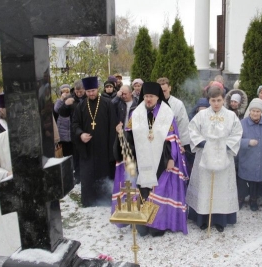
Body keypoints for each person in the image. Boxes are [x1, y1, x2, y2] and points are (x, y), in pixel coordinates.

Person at [113, 82, 189, 237]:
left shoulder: (166, 113)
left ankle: (157, 224)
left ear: (157, 97)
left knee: (158, 191)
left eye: (152, 97)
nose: (148, 99)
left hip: (161, 160)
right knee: (142, 191)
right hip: (141, 161)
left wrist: (171, 158)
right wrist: (120, 135)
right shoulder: (136, 113)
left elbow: (172, 139)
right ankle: (143, 222)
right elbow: (129, 136)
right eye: (146, 96)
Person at [186, 87, 242, 232]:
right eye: (213, 100)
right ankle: (202, 219)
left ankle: (220, 220)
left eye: (219, 100)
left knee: (220, 189)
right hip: (204, 156)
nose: (216, 104)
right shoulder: (201, 115)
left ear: (224, 100)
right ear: (208, 100)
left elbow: (237, 133)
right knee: (204, 187)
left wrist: (226, 146)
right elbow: (192, 130)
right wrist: (202, 143)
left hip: (224, 158)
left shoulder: (231, 116)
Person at [72, 76, 117, 207]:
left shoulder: (107, 104)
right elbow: (74, 124)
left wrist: (111, 150)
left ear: (97, 89)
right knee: (88, 174)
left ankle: (105, 199)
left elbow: (112, 126)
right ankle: (89, 200)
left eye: (93, 90)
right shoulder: (80, 106)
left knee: (104, 172)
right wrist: (80, 135)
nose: (91, 93)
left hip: (104, 147)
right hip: (87, 148)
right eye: (88, 91)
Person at [237, 98, 262, 211]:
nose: (255, 113)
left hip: (261, 158)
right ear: (249, 111)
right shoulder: (242, 123)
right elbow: (235, 140)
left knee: (255, 181)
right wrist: (247, 142)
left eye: (258, 111)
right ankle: (240, 198)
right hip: (246, 158)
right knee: (243, 180)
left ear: (261, 112)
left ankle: (253, 199)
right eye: (253, 111)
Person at [157, 77, 191, 170]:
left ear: (170, 88)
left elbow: (183, 124)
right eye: (160, 91)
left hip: (174, 144)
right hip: (157, 143)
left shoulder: (178, 104)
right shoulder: (154, 103)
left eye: (164, 91)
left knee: (173, 170)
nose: (163, 93)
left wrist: (182, 144)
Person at [58, 80, 86, 184]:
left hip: (87, 129)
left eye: (81, 92)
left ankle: (86, 174)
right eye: (77, 92)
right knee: (76, 155)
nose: (79, 94)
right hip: (75, 131)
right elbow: (62, 113)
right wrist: (65, 104)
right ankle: (77, 175)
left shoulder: (87, 98)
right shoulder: (70, 98)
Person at [54, 84, 73, 156]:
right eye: (64, 91)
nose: (66, 93)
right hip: (62, 133)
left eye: (67, 91)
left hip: (71, 132)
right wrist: (62, 99)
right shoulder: (59, 101)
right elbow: (56, 109)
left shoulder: (72, 100)